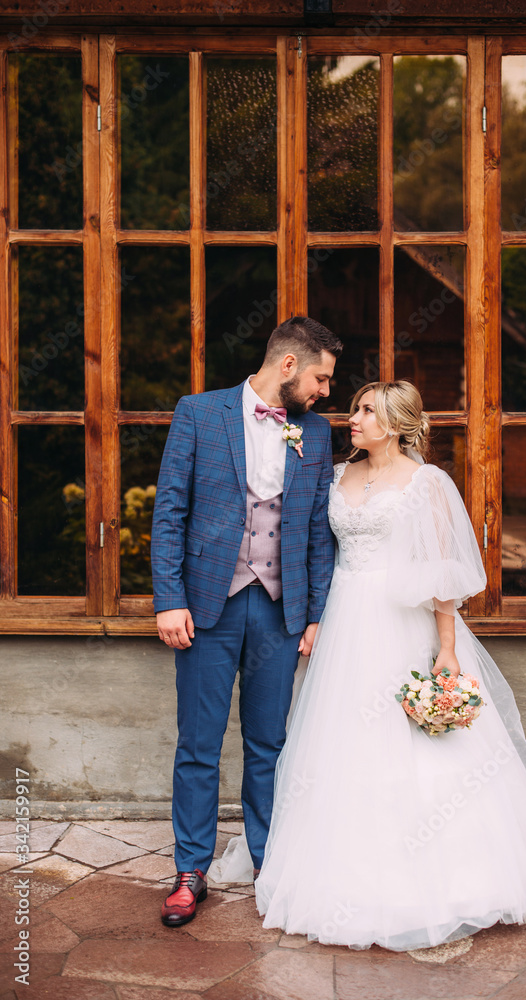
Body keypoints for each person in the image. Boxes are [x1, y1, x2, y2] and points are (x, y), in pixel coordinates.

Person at [247, 379, 526, 951]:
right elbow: (314, 549)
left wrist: (447, 648)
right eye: (354, 408)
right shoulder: (335, 475)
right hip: (344, 622)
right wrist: (311, 617)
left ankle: (444, 874)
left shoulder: (426, 484)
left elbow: (440, 572)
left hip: (401, 621)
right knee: (342, 742)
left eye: (365, 411)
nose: (352, 418)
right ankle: (345, 868)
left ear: (398, 424)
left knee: (418, 742)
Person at [151, 315, 343, 928]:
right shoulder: (199, 413)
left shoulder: (315, 431)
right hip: (207, 605)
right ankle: (190, 870)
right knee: (199, 744)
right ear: (289, 365)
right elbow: (169, 512)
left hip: (279, 609)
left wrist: (315, 615)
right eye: (321, 376)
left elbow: (318, 533)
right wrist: (168, 598)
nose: (326, 391)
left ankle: (268, 863)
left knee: (269, 742)